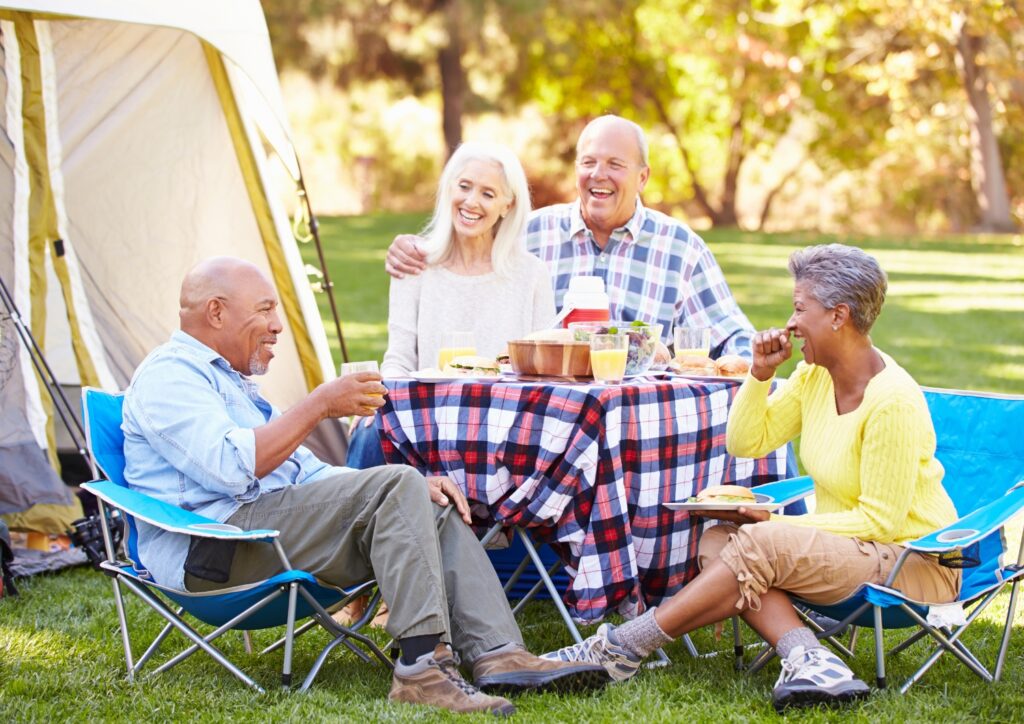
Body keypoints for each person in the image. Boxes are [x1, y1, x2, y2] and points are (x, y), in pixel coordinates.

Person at [121, 257, 608, 715]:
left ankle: (500, 654)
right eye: (265, 310)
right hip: (219, 550)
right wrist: (319, 405)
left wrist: (408, 488)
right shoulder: (169, 378)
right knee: (399, 485)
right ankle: (421, 669)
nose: (277, 325)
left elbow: (308, 477)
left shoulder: (228, 383)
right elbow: (232, 468)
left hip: (272, 531)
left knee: (423, 494)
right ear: (216, 312)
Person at [539, 244, 960, 711]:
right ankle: (811, 657)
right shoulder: (813, 377)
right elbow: (745, 442)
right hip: (853, 550)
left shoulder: (893, 401)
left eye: (801, 308)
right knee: (721, 540)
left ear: (839, 316)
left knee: (756, 543)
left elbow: (881, 522)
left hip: (913, 564)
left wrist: (774, 528)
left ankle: (621, 647)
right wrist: (760, 375)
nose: (791, 321)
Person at [384, 115, 754, 359]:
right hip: (553, 416)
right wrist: (411, 247)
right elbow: (468, 232)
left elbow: (734, 340)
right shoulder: (529, 234)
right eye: (589, 162)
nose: (599, 175)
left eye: (615, 165)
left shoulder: (680, 248)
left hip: (641, 415)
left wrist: (754, 373)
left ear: (642, 177)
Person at [346, 142, 555, 468]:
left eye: (488, 193)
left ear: (507, 205)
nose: (471, 201)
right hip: (424, 421)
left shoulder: (531, 275)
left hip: (503, 424)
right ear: (449, 190)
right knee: (369, 432)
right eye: (464, 186)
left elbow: (545, 372)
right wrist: (383, 406)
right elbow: (399, 359)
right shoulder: (415, 265)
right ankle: (351, 518)